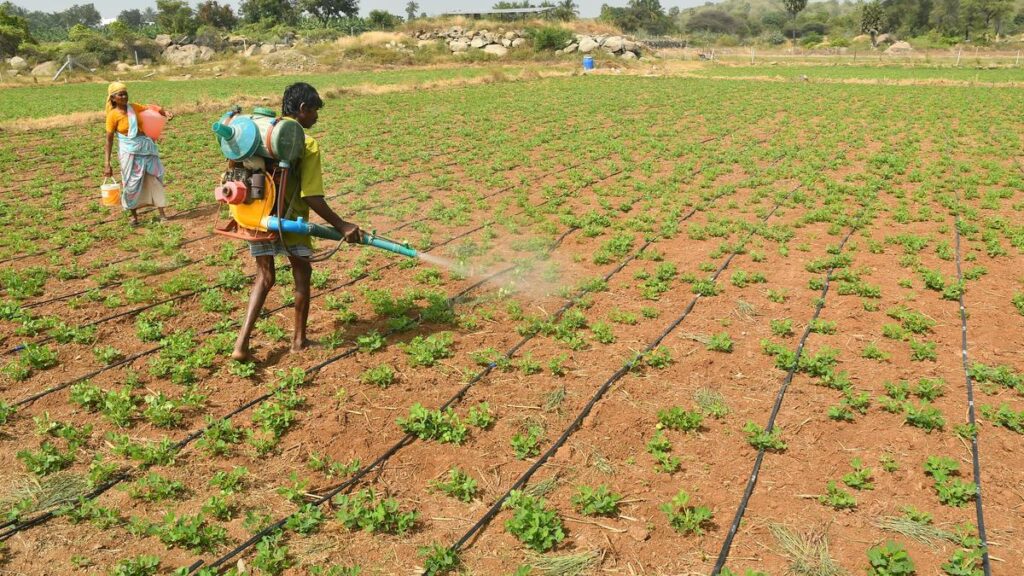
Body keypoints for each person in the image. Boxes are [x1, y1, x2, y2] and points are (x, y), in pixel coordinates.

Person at [232, 82, 361, 362]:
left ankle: (241, 344)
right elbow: (312, 196)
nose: (316, 117)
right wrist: (343, 225)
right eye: (314, 111)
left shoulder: (257, 135)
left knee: (264, 277)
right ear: (302, 109)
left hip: (259, 218)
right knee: (302, 276)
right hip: (291, 221)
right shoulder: (305, 142)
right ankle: (299, 341)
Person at [102, 81, 172, 226]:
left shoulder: (133, 107)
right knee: (131, 183)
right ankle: (134, 217)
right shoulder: (112, 116)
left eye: (125, 93)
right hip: (129, 152)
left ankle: (162, 213)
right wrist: (107, 164)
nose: (124, 96)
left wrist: (164, 112)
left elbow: (150, 108)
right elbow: (109, 140)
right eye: (120, 94)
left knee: (154, 179)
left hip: (147, 149)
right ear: (113, 98)